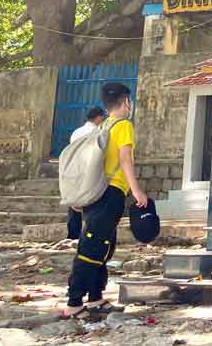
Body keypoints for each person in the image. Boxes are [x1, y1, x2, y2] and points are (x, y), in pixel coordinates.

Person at [62, 82, 148, 319]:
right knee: (92, 248)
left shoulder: (103, 126)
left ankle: (95, 298)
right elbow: (125, 159)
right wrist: (137, 190)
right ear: (127, 102)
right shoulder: (123, 126)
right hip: (110, 194)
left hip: (96, 193)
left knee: (103, 246)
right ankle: (73, 302)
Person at [66, 106, 108, 240]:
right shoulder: (98, 132)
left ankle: (73, 236)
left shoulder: (76, 132)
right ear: (100, 117)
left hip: (75, 172)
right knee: (93, 205)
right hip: (91, 172)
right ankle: (90, 236)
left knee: (75, 205)